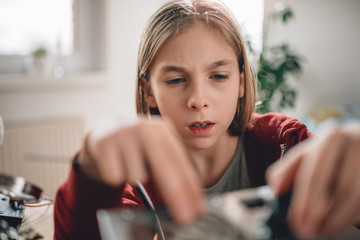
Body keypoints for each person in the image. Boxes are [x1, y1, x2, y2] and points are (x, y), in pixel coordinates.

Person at [53, 0, 358, 239]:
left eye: (218, 76)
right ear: (148, 92)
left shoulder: (285, 143)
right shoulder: (132, 180)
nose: (198, 99)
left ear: (241, 82)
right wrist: (90, 170)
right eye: (175, 80)